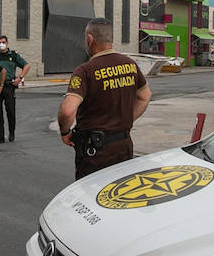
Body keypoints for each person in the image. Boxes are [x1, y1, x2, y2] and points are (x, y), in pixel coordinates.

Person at [57, 17, 152, 180]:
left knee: (92, 199)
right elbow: (145, 96)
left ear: (89, 39)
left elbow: (67, 111)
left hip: (95, 153)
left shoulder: (85, 70)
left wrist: (65, 132)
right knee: (120, 196)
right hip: (124, 148)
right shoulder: (130, 64)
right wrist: (126, 119)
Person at [0, 36, 30, 141]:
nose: (1, 44)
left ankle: (11, 132)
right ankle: (0, 135)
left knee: (10, 110)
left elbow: (26, 66)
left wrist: (20, 78)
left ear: (7, 43)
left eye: (3, 42)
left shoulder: (13, 55)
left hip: (9, 85)